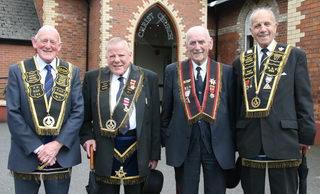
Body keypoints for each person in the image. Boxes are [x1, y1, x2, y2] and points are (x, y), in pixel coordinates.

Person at [233, 7, 316, 194]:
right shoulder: (240, 62)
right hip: (250, 139)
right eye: (257, 25)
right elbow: (236, 105)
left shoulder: (294, 56)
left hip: (285, 138)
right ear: (251, 31)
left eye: (267, 24)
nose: (262, 29)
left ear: (275, 27)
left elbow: (304, 99)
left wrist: (306, 135)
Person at [6, 25, 84, 194]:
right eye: (44, 41)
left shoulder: (72, 72)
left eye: (53, 42)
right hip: (26, 152)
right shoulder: (17, 71)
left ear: (59, 46)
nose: (48, 46)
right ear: (34, 42)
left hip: (60, 153)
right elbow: (13, 113)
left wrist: (56, 145)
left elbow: (78, 112)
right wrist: (39, 148)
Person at [80, 37, 161, 194]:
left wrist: (154, 154)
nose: (116, 60)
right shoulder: (93, 78)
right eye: (112, 56)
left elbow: (154, 120)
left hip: (137, 149)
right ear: (107, 57)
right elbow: (84, 116)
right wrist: (86, 137)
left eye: (121, 55)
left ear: (130, 55)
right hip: (105, 147)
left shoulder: (148, 77)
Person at [161, 26, 235, 194]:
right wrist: (168, 139)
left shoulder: (227, 72)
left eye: (201, 42)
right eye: (192, 43)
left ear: (210, 43)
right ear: (186, 46)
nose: (197, 47)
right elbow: (166, 110)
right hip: (184, 145)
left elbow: (232, 112)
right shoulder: (173, 71)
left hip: (217, 145)